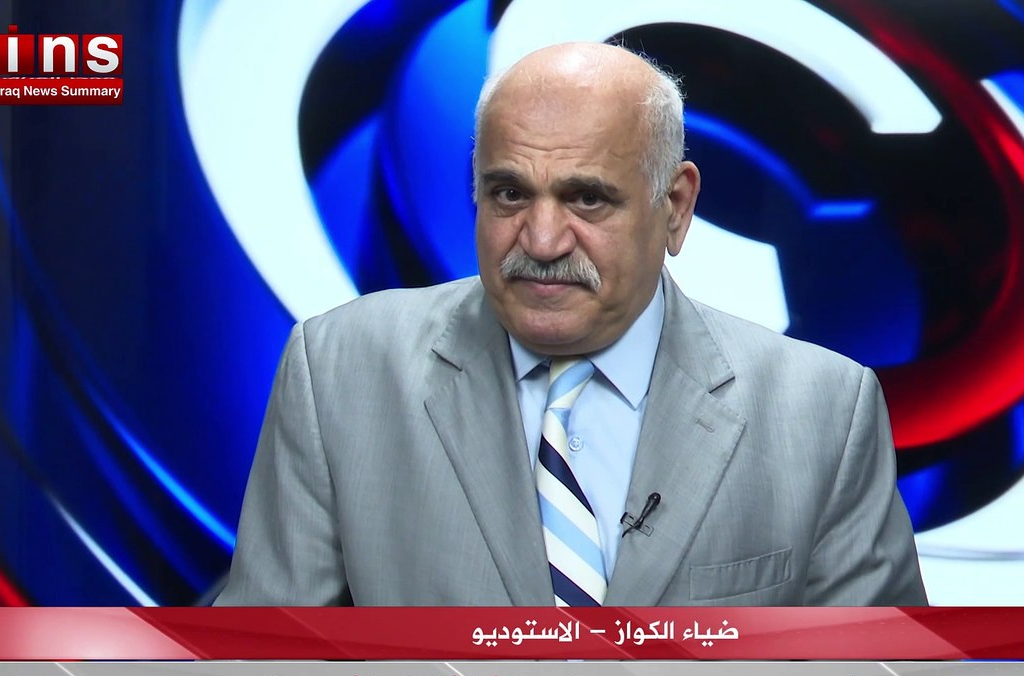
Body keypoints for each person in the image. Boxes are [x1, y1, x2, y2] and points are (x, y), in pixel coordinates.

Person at [216, 42, 926, 606]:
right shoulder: (337, 369)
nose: (543, 240)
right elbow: (262, 675)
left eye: (587, 199)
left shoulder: (823, 412)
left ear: (676, 207)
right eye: (509, 193)